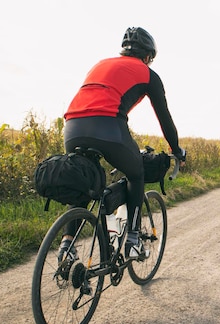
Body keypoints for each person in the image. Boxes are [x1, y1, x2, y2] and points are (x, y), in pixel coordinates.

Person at [59, 26, 185, 261]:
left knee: (84, 181)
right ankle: (134, 240)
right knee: (135, 173)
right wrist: (176, 150)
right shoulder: (148, 74)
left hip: (72, 126)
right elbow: (165, 119)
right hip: (107, 126)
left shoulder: (100, 64)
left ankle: (67, 244)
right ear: (147, 56)